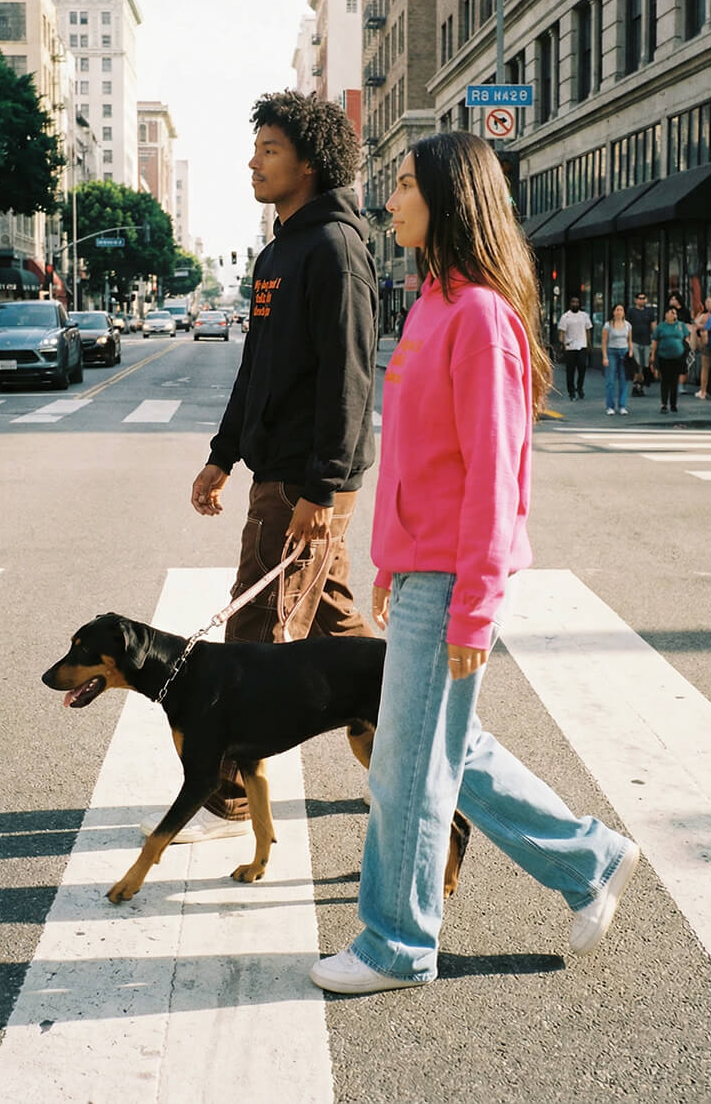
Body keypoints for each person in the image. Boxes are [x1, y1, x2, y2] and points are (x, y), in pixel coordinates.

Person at [310, 131, 639, 996]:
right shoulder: (428, 302)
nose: (392, 202)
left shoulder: (482, 315)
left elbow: (497, 476)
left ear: (452, 199)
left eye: (408, 187)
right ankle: (591, 859)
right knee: (445, 748)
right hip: (424, 566)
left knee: (406, 766)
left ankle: (395, 943)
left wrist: (474, 607)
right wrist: (389, 561)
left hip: (458, 573)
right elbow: (422, 457)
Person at [153, 90, 378, 844]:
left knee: (259, 620)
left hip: (304, 476)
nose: (254, 161)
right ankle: (410, 742)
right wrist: (222, 455)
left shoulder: (335, 248)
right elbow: (257, 365)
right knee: (339, 626)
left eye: (270, 150)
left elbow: (348, 377)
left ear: (308, 164)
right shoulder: (278, 250)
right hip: (277, 469)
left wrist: (322, 487)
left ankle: (224, 776)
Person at [650, 304, 691, 413]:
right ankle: (664, 404)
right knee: (665, 381)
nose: (673, 315)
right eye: (671, 312)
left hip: (677, 357)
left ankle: (673, 404)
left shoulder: (681, 326)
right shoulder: (661, 327)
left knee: (674, 381)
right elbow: (655, 341)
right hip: (664, 356)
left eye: (675, 313)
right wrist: (653, 355)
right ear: (666, 314)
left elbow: (687, 338)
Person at [557, 295, 592, 400]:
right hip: (570, 347)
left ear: (579, 304)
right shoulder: (565, 317)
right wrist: (562, 344)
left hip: (582, 345)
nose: (575, 304)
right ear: (570, 303)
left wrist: (589, 343)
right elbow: (562, 332)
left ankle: (579, 388)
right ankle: (571, 391)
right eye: (573, 302)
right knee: (570, 371)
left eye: (577, 302)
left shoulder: (584, 316)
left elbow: (588, 330)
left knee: (582, 367)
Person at [601, 302, 633, 415]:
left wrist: (631, 351)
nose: (619, 312)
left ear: (624, 312)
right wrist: (605, 356)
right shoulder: (608, 325)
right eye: (617, 310)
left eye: (621, 310)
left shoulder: (628, 325)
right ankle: (610, 406)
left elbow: (629, 340)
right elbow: (604, 342)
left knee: (624, 380)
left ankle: (622, 406)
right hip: (611, 352)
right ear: (613, 312)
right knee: (610, 381)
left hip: (624, 352)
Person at [627, 292, 656, 395]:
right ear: (636, 300)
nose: (642, 300)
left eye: (644, 298)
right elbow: (627, 327)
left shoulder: (649, 312)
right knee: (637, 364)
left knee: (644, 365)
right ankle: (636, 385)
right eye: (640, 298)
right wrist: (628, 341)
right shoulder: (631, 311)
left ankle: (640, 385)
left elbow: (653, 327)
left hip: (647, 341)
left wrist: (655, 339)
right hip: (634, 341)